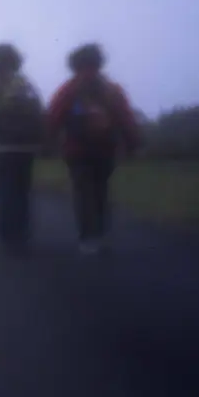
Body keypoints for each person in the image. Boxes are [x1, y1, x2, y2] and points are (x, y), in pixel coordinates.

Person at [46, 43, 141, 255]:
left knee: (83, 193)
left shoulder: (68, 89)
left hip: (76, 151)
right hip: (106, 150)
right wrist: (132, 144)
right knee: (101, 191)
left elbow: (53, 118)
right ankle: (102, 232)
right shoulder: (112, 90)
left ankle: (88, 238)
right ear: (99, 62)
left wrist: (48, 143)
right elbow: (126, 118)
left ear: (73, 64)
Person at [0, 43, 46, 250]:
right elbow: (40, 115)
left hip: (2, 149)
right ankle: (22, 233)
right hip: (27, 149)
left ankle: (8, 235)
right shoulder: (27, 86)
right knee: (22, 191)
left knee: (4, 192)